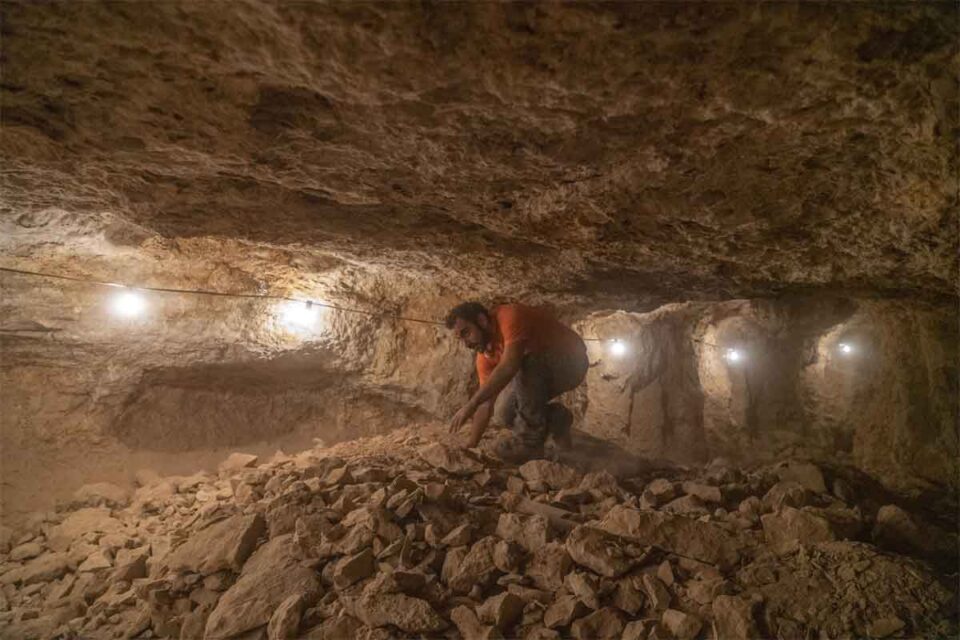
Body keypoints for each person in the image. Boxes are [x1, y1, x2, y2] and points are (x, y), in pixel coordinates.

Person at [446, 301, 588, 461]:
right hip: (542, 373)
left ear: (482, 320)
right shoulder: (485, 356)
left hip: (572, 362)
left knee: (525, 362)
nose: (466, 343)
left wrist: (470, 405)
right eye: (461, 338)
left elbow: (509, 366)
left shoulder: (509, 316)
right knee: (504, 413)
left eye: (466, 333)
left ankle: (530, 444)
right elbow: (486, 403)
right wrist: (471, 444)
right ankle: (558, 418)